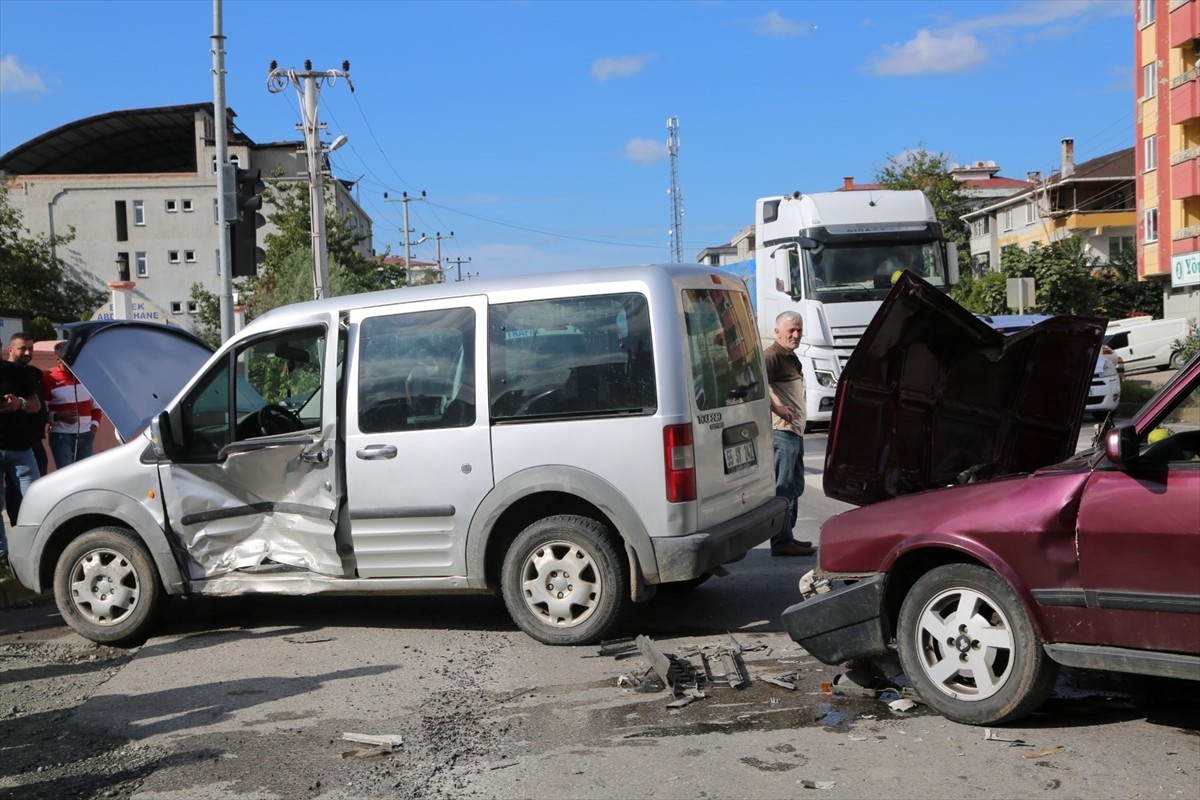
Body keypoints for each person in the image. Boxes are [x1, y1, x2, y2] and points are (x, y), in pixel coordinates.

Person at [764, 310, 816, 557]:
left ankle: (788, 536)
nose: (795, 335)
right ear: (777, 332)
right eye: (790, 331)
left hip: (794, 432)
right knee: (783, 487)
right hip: (781, 432)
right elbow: (757, 387)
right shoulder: (772, 356)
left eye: (799, 330)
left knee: (795, 485)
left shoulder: (791, 357)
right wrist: (777, 408)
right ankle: (781, 542)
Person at [0, 347, 43, 558]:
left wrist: (20, 403)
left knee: (36, 500)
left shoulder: (18, 372)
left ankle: (40, 550)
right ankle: (2, 555)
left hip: (21, 448)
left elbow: (36, 405)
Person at [4, 333, 49, 526]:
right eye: (23, 348)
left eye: (30, 348)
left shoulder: (30, 373)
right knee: (13, 497)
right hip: (11, 444)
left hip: (29, 444)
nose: (28, 352)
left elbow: (38, 404)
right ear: (10, 350)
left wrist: (20, 403)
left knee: (36, 494)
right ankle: (7, 545)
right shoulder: (14, 372)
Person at [43, 341, 103, 469]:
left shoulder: (86, 378)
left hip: (86, 436)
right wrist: (57, 416)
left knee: (86, 474)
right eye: (69, 357)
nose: (73, 360)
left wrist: (93, 428)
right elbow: (42, 411)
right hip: (61, 437)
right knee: (66, 476)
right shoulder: (49, 379)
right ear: (58, 359)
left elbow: (96, 407)